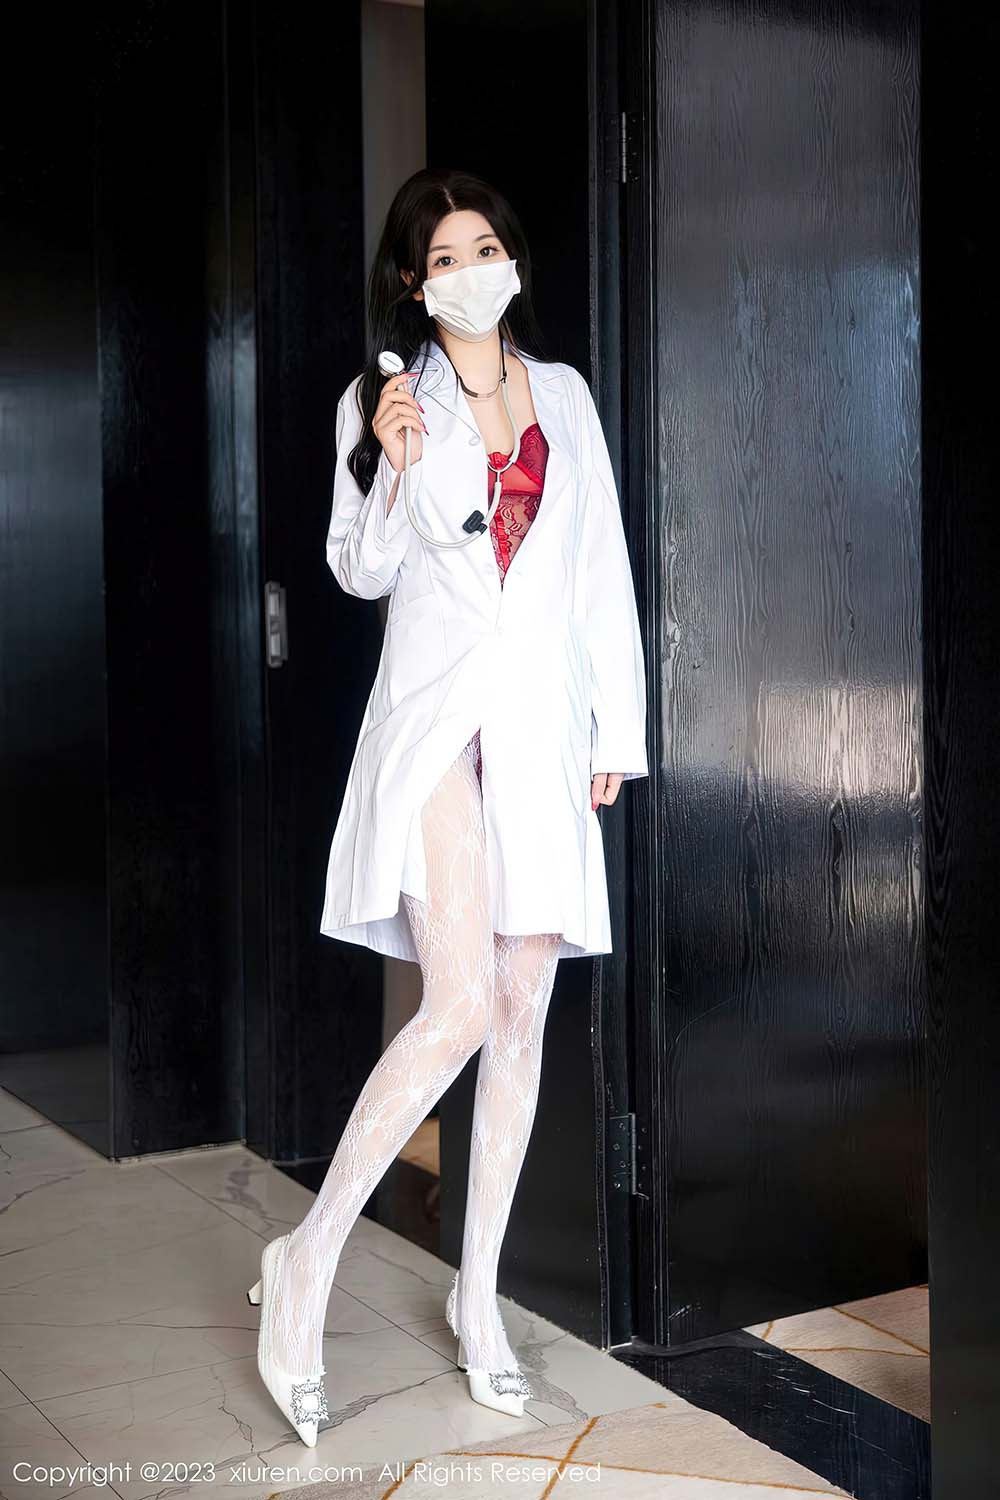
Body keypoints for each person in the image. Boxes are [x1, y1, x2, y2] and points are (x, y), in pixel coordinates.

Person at [247, 167, 649, 1447]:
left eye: (484, 247)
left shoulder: (565, 396)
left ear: (508, 260)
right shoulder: (384, 399)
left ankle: (478, 1298)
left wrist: (617, 729)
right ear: (414, 287)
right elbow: (359, 571)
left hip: (541, 729)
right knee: (461, 1000)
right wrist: (390, 461)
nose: (471, 269)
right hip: (433, 730)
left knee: (522, 1009)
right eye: (443, 258)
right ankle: (306, 1261)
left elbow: (597, 569)